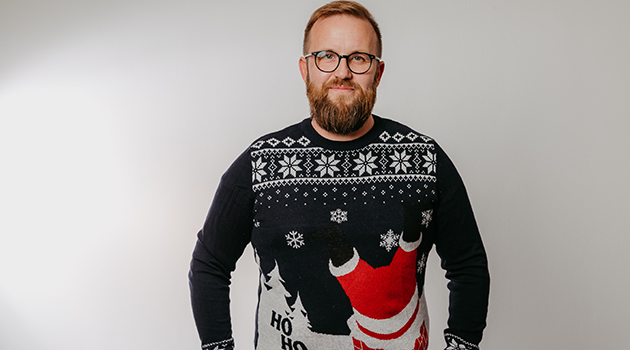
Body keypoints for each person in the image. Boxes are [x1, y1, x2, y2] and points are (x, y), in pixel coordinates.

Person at [189, 1, 490, 349]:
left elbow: (468, 264)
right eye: (326, 56)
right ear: (306, 69)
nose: (342, 72)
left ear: (377, 72)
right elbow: (210, 264)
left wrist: (462, 346)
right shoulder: (259, 164)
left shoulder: (425, 160)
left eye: (359, 58)